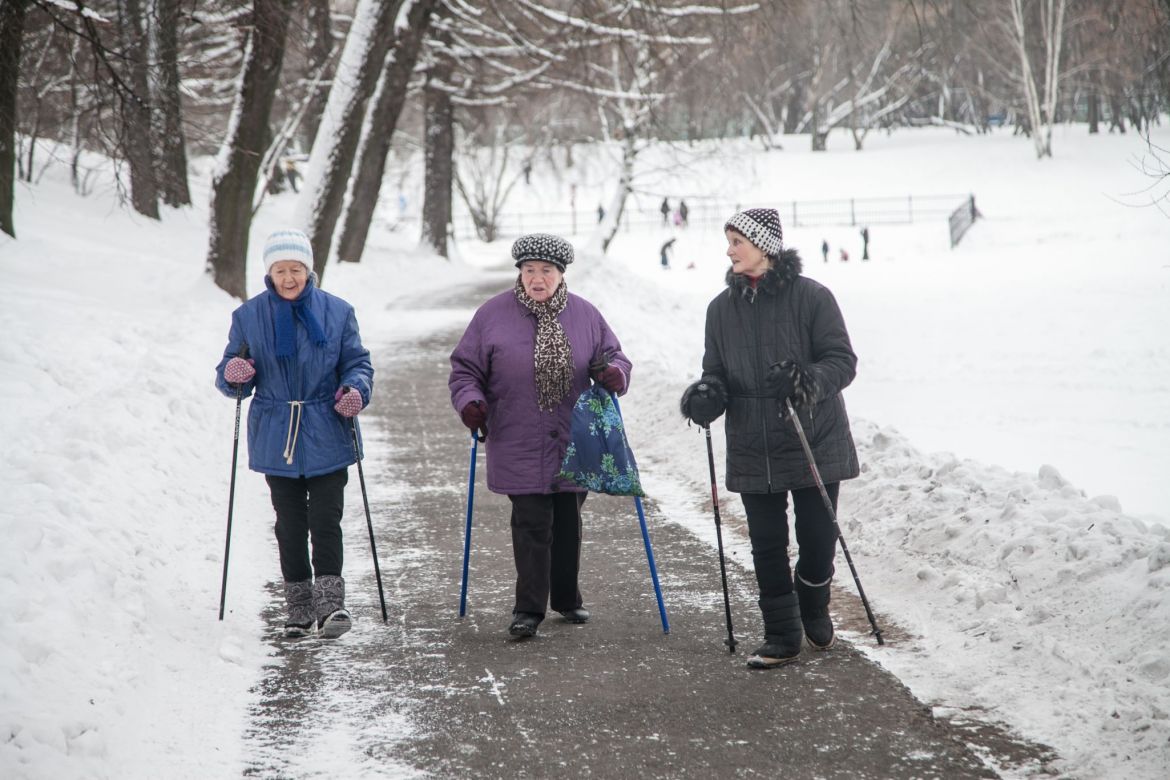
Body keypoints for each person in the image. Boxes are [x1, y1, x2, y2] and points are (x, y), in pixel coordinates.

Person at [678, 208, 859, 669]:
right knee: (766, 544)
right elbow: (714, 372)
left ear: (765, 246)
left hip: (812, 438)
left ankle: (813, 603)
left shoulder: (813, 297)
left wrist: (805, 379)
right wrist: (706, 397)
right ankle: (781, 633)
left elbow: (842, 361)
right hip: (752, 443)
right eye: (729, 241)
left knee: (817, 540)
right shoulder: (721, 309)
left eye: (737, 241)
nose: (729, 250)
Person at [449, 233, 632, 639]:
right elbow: (465, 370)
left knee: (568, 520)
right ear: (519, 272)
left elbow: (616, 357)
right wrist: (471, 402)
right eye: (529, 270)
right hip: (517, 434)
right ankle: (528, 608)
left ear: (560, 274)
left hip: (574, 435)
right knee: (531, 521)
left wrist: (613, 373)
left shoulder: (585, 315)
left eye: (545, 271)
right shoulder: (492, 315)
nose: (537, 278)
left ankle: (567, 599)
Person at [215, 229, 374, 640]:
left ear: (309, 270)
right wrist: (235, 374)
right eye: (281, 270)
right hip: (276, 430)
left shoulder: (337, 312)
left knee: (326, 520)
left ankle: (331, 604)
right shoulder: (249, 316)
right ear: (269, 272)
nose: (289, 278)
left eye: (296, 269)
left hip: (327, 427)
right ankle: (298, 607)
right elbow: (231, 372)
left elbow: (358, 363)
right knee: (288, 524)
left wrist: (355, 390)